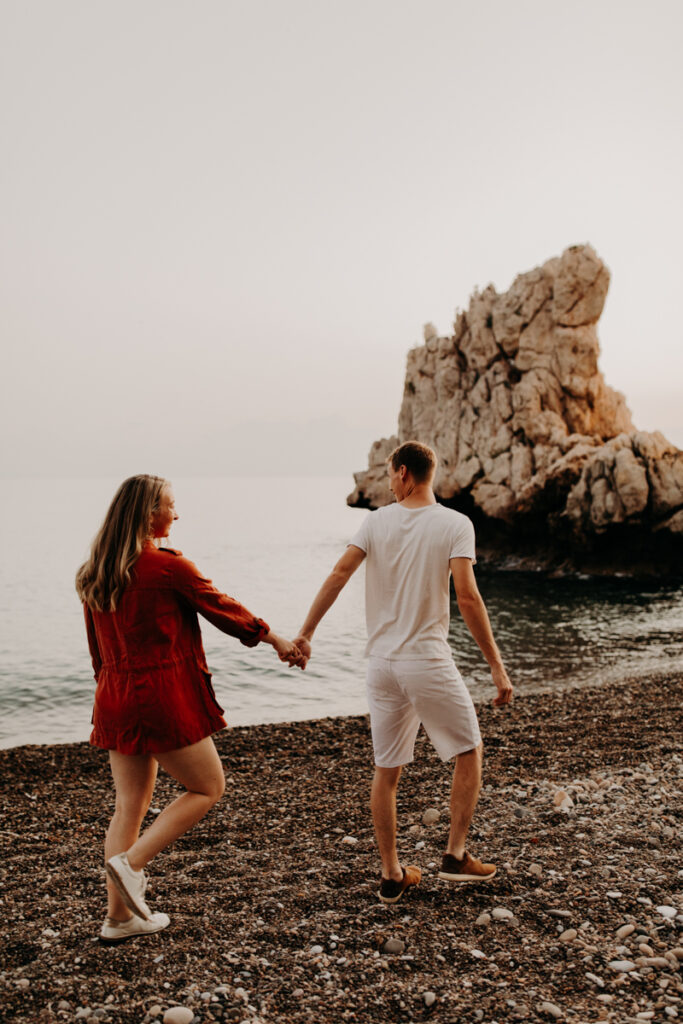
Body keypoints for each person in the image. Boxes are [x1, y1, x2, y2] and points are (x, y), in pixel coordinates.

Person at [76, 474, 303, 943]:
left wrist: (108, 692)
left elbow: (96, 650)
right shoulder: (165, 567)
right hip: (160, 697)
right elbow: (221, 607)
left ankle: (119, 919)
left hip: (114, 695)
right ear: (147, 513)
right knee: (207, 786)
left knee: (129, 806)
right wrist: (277, 638)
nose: (177, 515)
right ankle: (131, 865)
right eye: (170, 506)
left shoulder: (95, 570)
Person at [294, 441, 513, 903]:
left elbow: (338, 574)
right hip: (426, 661)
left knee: (386, 772)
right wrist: (496, 667)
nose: (390, 484)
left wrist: (306, 633)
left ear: (403, 473)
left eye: (392, 476)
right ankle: (454, 855)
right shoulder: (455, 524)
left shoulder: (375, 521)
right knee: (469, 749)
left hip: (381, 665)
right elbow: (468, 598)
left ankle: (392, 874)